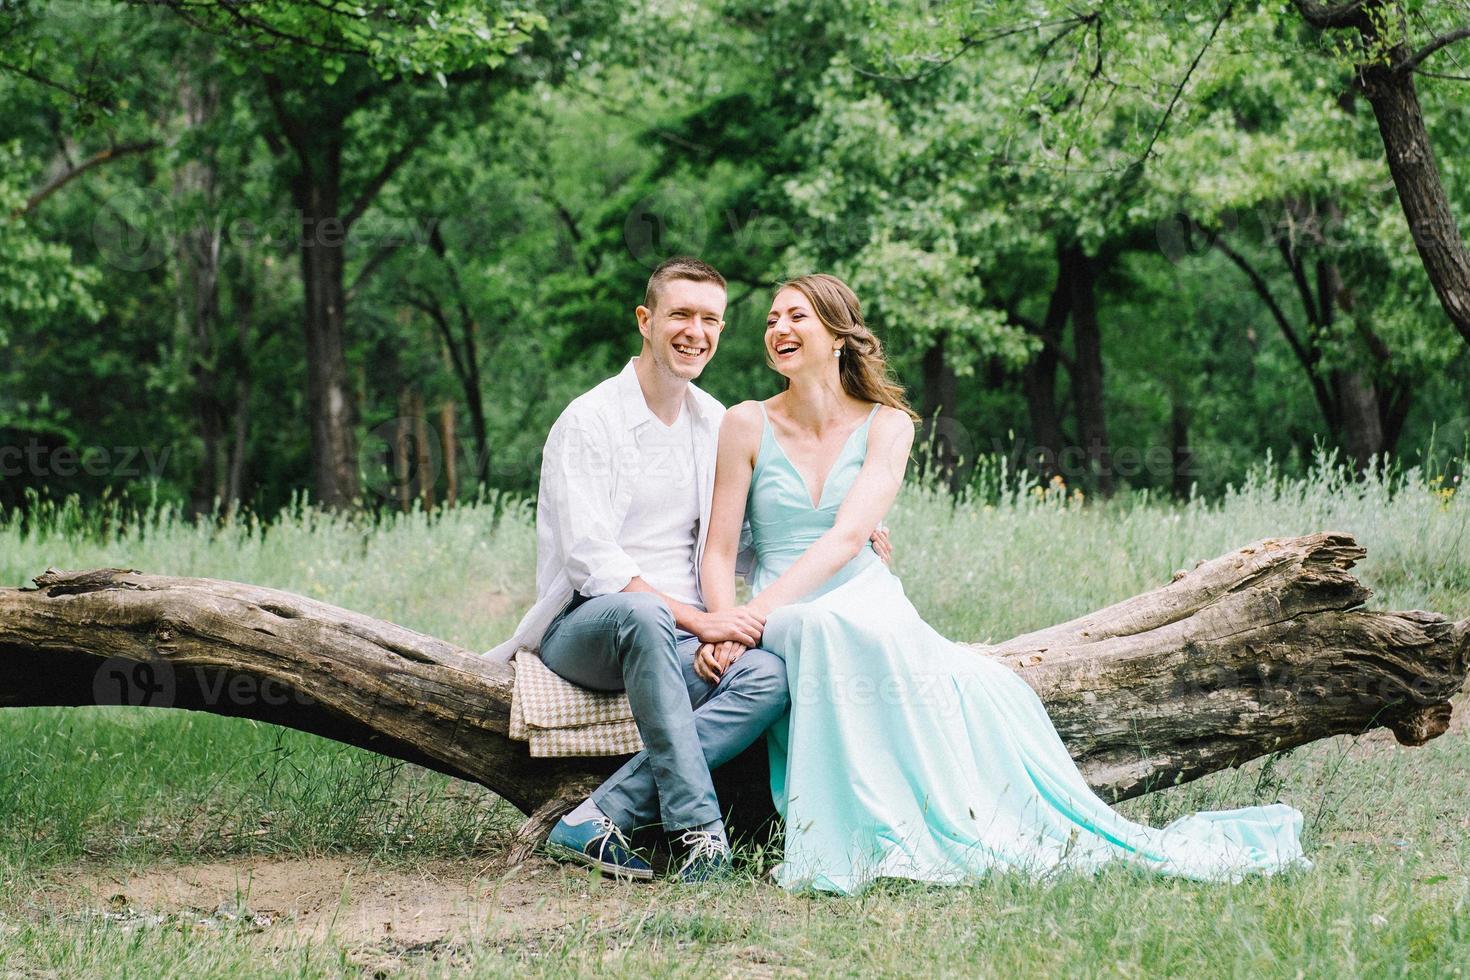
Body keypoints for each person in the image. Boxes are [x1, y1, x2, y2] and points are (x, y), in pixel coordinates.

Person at [697, 273, 1309, 895]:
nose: (778, 329)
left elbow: (848, 538)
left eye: (797, 317)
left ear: (838, 335)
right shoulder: (746, 423)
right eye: (772, 319)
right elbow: (719, 548)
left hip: (860, 595)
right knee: (806, 623)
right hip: (779, 604)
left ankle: (899, 825)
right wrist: (722, 624)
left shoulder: (890, 425)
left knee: (826, 623)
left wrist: (750, 619)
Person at [485, 257, 891, 883]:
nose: (695, 331)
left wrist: (845, 523)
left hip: (680, 633)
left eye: (711, 320)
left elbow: (747, 541)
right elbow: (592, 562)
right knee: (642, 612)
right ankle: (700, 834)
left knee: (769, 678)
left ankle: (599, 816)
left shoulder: (715, 421)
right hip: (587, 628)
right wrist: (704, 622)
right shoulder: (589, 420)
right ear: (646, 321)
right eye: (680, 315)